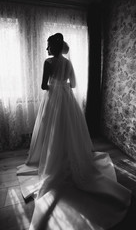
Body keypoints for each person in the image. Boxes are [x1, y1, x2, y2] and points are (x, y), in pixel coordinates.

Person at [17, 33, 131, 229]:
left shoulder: (48, 62)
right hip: (67, 99)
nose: (46, 50)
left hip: (53, 99)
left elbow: (44, 85)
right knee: (69, 129)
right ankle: (70, 156)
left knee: (51, 129)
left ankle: (53, 158)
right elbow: (75, 84)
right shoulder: (68, 64)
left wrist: (54, 85)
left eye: (48, 46)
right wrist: (63, 86)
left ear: (54, 47)